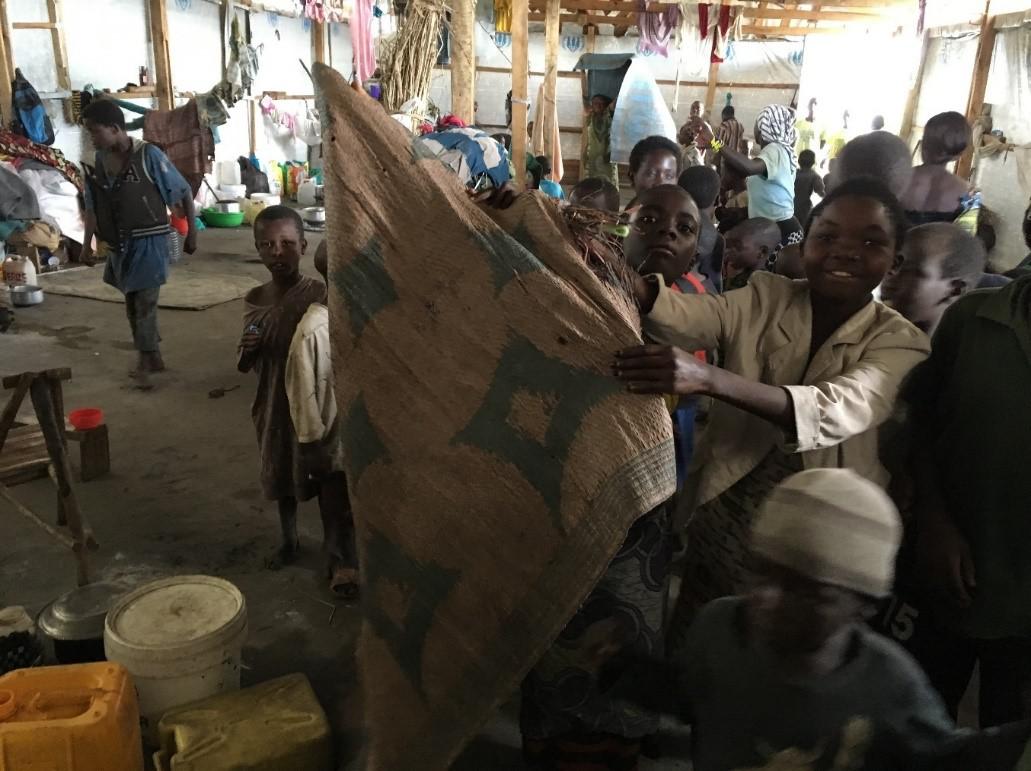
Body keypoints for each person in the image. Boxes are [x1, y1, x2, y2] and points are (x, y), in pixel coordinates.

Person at [612, 177, 931, 645]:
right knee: (704, 637)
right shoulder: (767, 296)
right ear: (805, 244)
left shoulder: (900, 341)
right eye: (827, 237)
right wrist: (607, 264)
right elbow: (690, 316)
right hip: (727, 508)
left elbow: (837, 408)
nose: (845, 251)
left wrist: (710, 380)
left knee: (785, 658)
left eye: (870, 241)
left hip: (821, 543)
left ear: (894, 261)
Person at [521, 188, 699, 770]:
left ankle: (624, 736)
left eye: (684, 227)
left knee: (630, 635)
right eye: (650, 219)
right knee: (557, 625)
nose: (666, 233)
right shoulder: (574, 295)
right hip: (564, 497)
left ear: (699, 248)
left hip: (646, 519)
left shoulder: (701, 310)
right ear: (622, 228)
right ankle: (551, 734)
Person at [903, 273, 1031, 728]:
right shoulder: (974, 318)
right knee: (919, 718)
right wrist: (934, 521)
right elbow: (923, 420)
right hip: (949, 573)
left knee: (1008, 731)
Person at [80, 99, 197, 385]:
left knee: (144, 301)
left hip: (150, 242)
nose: (91, 138)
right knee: (132, 301)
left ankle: (145, 358)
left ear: (116, 128)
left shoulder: (149, 156)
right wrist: (86, 244)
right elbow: (93, 206)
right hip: (122, 244)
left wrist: (191, 232)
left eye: (95, 131)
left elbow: (183, 192)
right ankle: (153, 355)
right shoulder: (98, 161)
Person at [238, 206, 327, 567]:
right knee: (280, 470)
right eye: (267, 244)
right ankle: (289, 540)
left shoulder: (319, 294)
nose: (278, 252)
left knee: (324, 471)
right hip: (273, 399)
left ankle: (334, 544)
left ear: (304, 246)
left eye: (287, 243)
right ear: (257, 249)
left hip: (314, 399)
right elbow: (245, 363)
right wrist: (249, 348)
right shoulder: (256, 300)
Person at [285, 240, 359, 598]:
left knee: (355, 508)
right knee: (335, 508)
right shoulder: (312, 331)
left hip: (356, 438)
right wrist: (311, 446)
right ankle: (338, 563)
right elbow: (303, 396)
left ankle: (352, 558)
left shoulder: (359, 318)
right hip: (330, 442)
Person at [698, 105, 802, 251]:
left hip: (780, 231)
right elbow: (770, 198)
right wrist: (743, 212)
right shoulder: (775, 153)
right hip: (774, 227)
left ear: (763, 128)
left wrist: (715, 141)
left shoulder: (775, 150)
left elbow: (749, 167)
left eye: (756, 124)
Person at [880, 223, 986, 336]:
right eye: (893, 263)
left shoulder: (958, 351)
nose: (888, 275)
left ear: (955, 290)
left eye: (908, 270)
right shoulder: (871, 330)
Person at [900, 111, 975, 226]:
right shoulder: (969, 194)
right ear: (959, 154)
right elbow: (966, 238)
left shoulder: (898, 179)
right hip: (940, 243)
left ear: (924, 143)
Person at [678, 165, 724, 291]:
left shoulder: (671, 222)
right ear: (717, 200)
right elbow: (715, 279)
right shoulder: (716, 237)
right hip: (697, 296)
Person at [721, 217, 780, 291]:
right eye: (729, 244)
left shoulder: (758, 289)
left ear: (761, 252)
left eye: (737, 247)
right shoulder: (729, 269)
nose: (726, 251)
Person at [582, 94, 618, 187]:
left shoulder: (608, 115)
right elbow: (586, 106)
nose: (598, 105)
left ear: (606, 105)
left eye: (601, 103)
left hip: (607, 157)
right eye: (595, 103)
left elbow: (614, 103)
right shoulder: (590, 117)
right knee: (591, 184)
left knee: (609, 184)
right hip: (592, 157)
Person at [793, 148, 825, 225]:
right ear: (813, 162)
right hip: (804, 210)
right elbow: (820, 192)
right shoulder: (814, 176)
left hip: (788, 208)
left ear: (799, 161)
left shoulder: (792, 173)